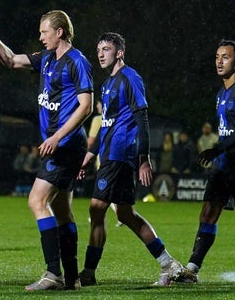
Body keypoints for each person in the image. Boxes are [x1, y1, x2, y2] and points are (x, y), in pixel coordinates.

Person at [0, 9, 92, 291]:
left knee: (36, 200)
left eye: (45, 32)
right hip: (61, 145)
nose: (41, 37)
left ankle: (52, 273)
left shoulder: (77, 61)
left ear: (59, 32)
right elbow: (9, 59)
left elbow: (86, 106)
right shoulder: (45, 59)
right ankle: (71, 277)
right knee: (63, 211)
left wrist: (57, 136)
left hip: (66, 146)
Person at [77, 32, 185, 287]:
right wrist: (89, 155)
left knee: (96, 208)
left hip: (119, 155)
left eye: (106, 49)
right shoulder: (108, 83)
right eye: (98, 49)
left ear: (120, 53)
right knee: (125, 214)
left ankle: (88, 273)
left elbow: (142, 118)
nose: (101, 53)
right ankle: (167, 263)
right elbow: (106, 126)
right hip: (110, 155)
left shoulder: (130, 78)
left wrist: (144, 159)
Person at [175, 40, 235, 284]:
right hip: (223, 167)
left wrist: (217, 149)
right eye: (217, 57)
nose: (219, 61)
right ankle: (192, 269)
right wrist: (219, 154)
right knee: (208, 213)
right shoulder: (221, 94)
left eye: (225, 57)